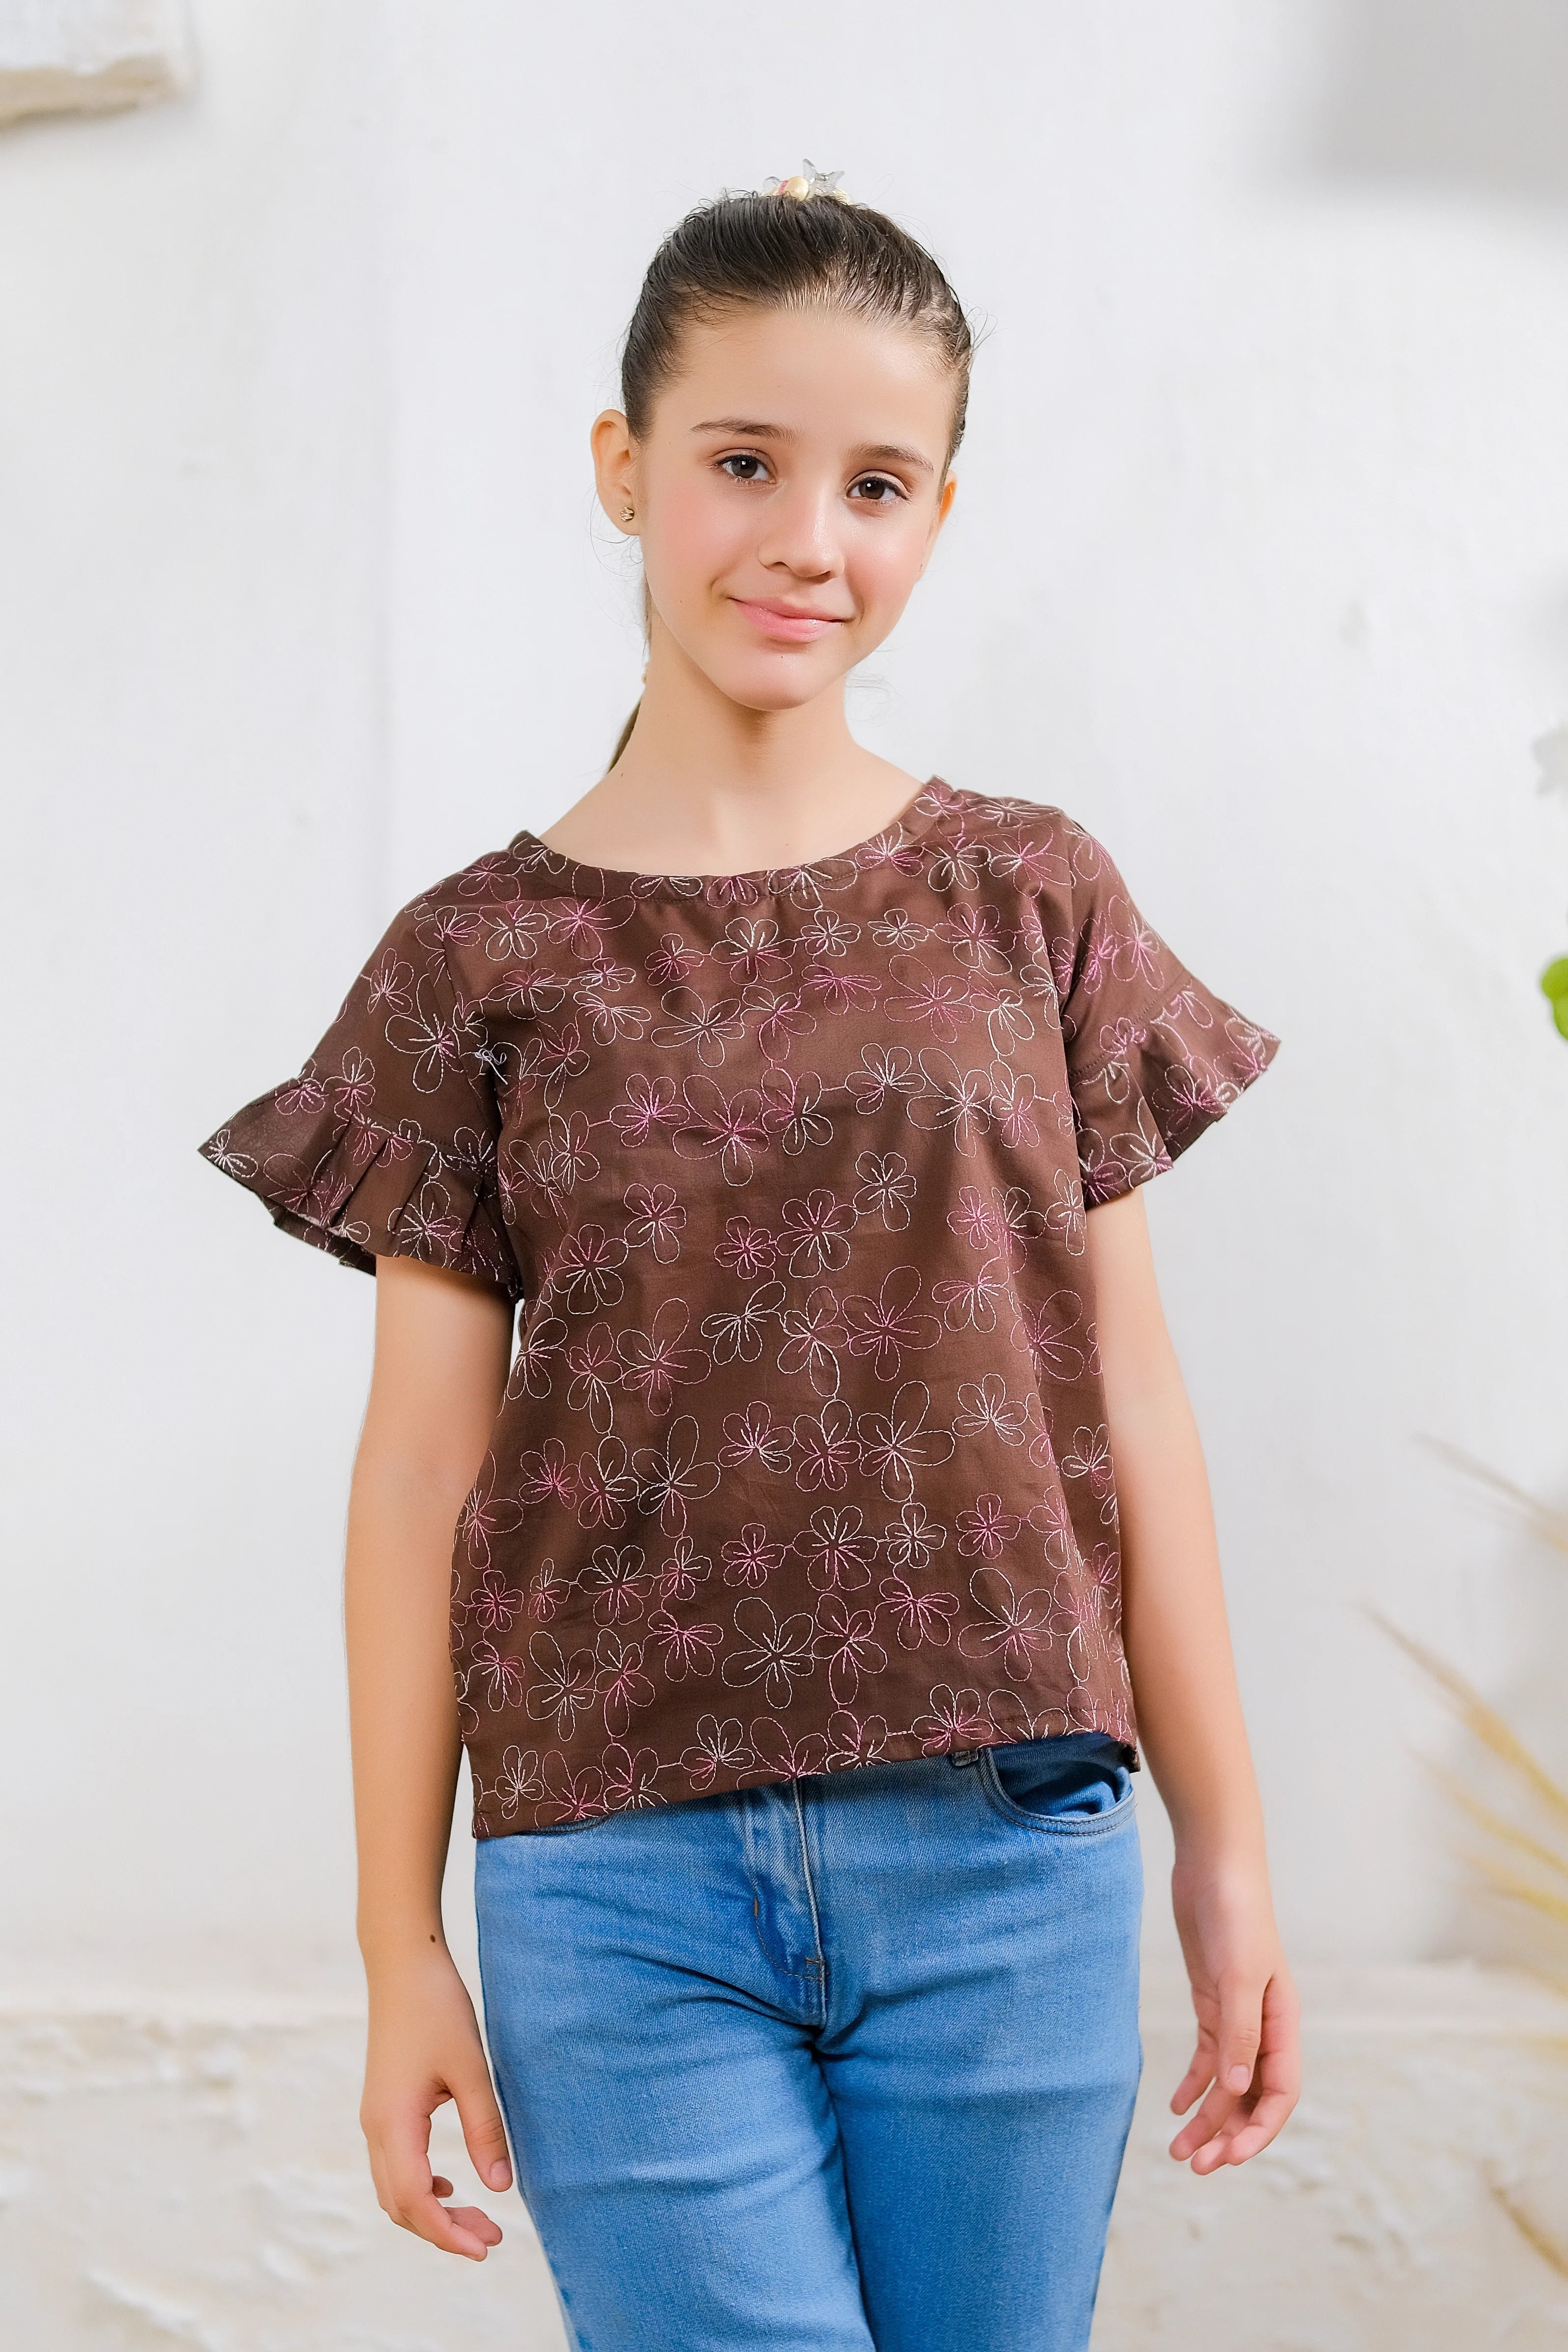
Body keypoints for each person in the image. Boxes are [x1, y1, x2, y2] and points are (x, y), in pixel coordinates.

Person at [202, 162, 1300, 2352]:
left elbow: (1132, 1401)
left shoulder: (1033, 897)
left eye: (876, 483)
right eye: (743, 463)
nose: (808, 536)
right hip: (619, 1882)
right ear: (624, 471)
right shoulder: (473, 960)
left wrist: (1228, 1846)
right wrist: (397, 1940)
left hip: (1008, 1839)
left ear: (937, 519)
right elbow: (419, 1476)